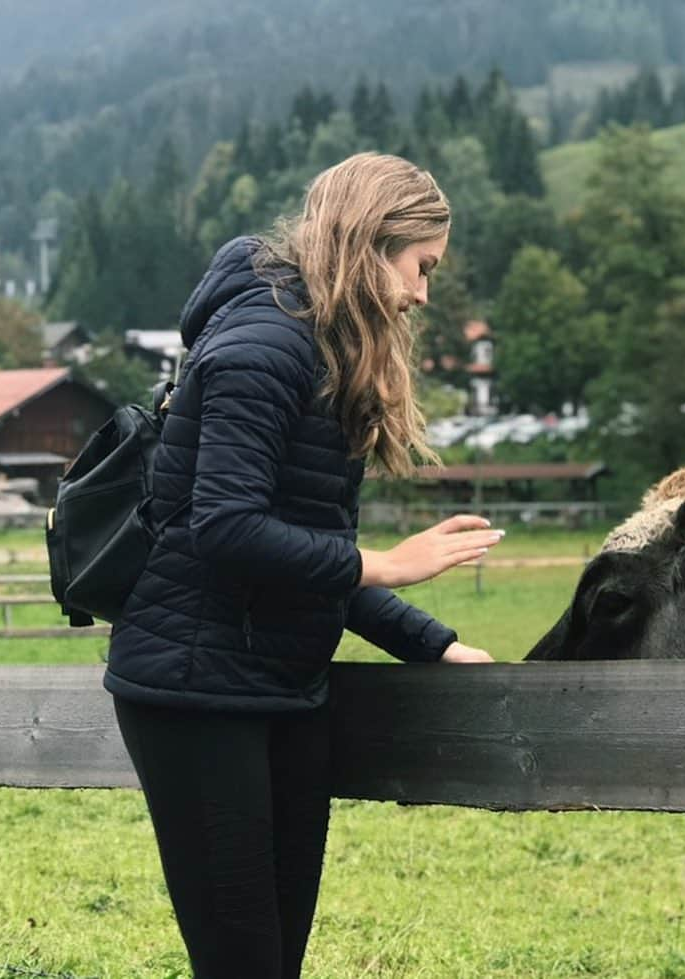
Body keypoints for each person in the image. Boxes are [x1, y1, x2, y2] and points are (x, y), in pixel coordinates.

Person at [104, 152, 501, 979]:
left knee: (273, 961)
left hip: (281, 685)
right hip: (194, 690)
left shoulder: (321, 351)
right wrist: (386, 562)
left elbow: (309, 558)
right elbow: (227, 526)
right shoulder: (264, 345)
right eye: (420, 267)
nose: (424, 293)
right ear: (371, 241)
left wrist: (433, 644)